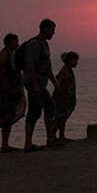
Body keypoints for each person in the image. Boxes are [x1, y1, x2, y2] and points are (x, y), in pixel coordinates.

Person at [23, 19, 59, 152]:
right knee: (50, 106)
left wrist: (55, 83)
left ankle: (28, 144)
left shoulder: (45, 44)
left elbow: (47, 67)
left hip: (40, 82)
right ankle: (50, 139)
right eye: (52, 30)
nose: (53, 33)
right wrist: (36, 85)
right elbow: (30, 65)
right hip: (34, 83)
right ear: (44, 29)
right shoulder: (34, 44)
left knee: (34, 112)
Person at [53, 51, 79, 144]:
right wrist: (61, 96)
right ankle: (53, 137)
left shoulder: (68, 70)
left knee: (63, 117)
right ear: (69, 60)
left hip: (67, 98)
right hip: (62, 98)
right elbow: (58, 85)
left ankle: (61, 136)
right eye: (75, 60)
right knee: (60, 117)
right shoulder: (64, 71)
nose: (76, 63)